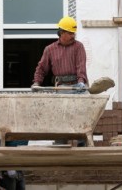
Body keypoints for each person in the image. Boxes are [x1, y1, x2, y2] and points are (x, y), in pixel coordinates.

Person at [31, 16, 89, 146]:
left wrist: (81, 82)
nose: (73, 36)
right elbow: (41, 68)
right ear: (61, 33)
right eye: (70, 33)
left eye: (74, 33)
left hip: (77, 85)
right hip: (61, 86)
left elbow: (81, 66)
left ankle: (82, 143)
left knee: (85, 112)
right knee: (60, 116)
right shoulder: (50, 49)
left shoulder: (79, 47)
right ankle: (60, 144)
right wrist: (37, 82)